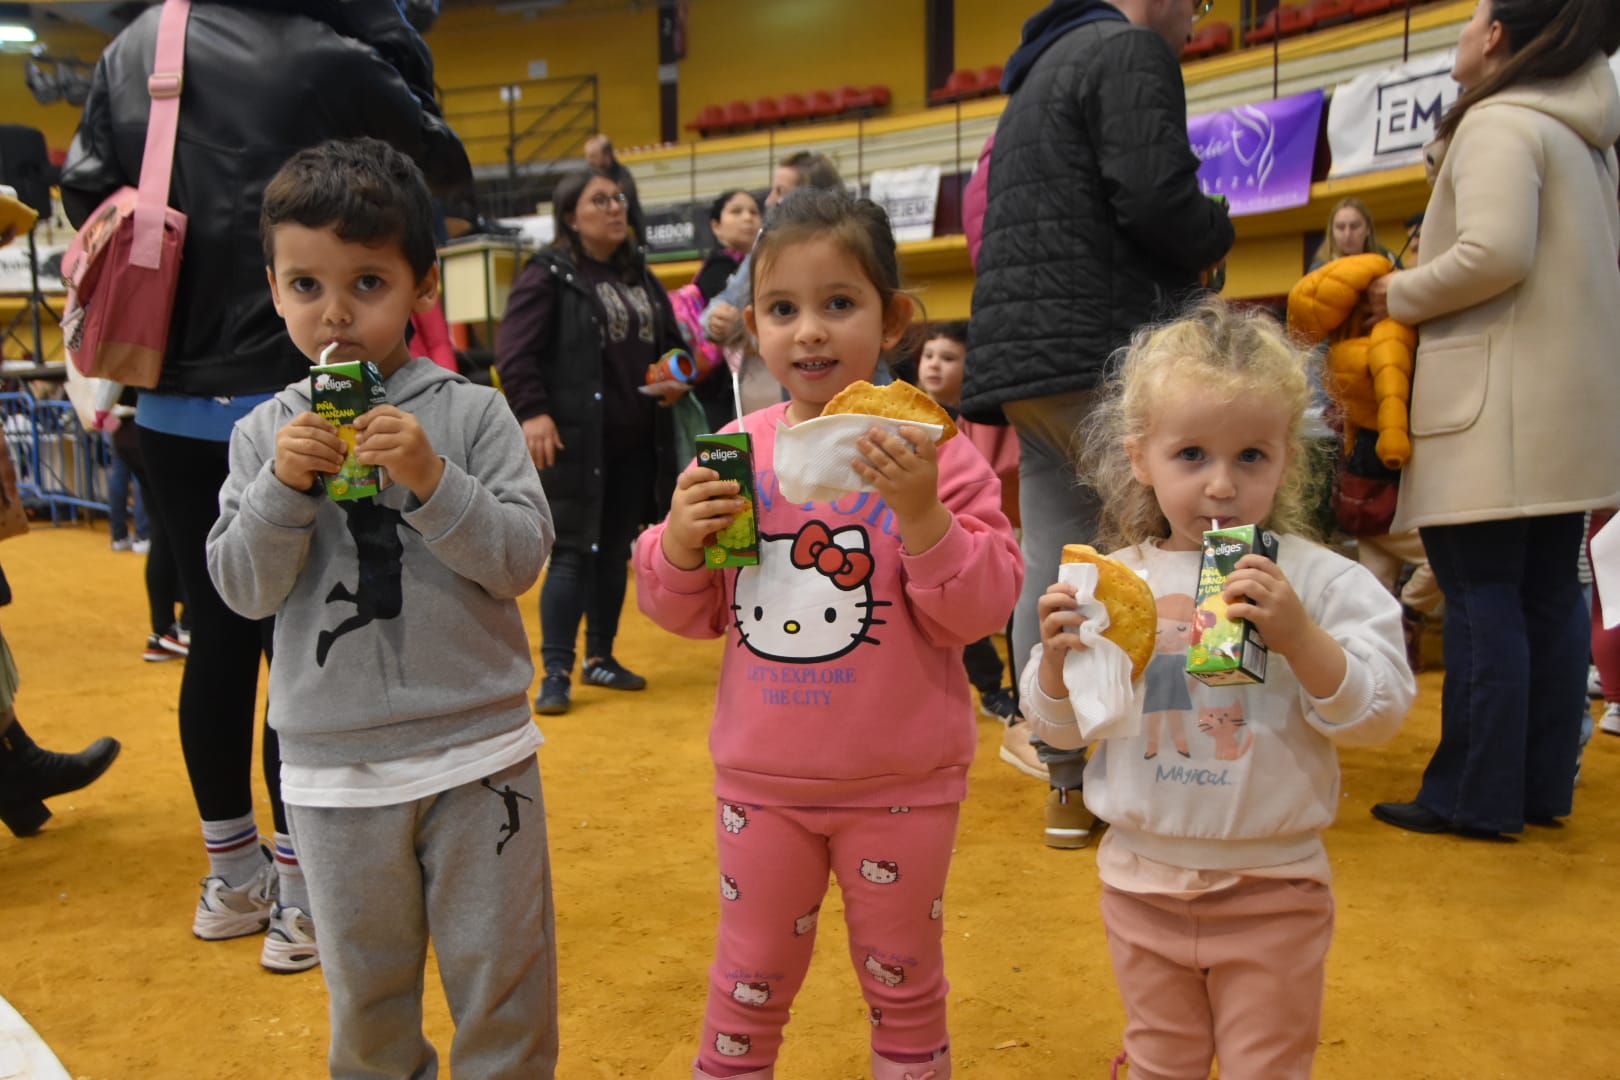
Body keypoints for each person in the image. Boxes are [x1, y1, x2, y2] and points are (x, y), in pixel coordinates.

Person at [59, 0, 471, 968]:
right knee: (304, 645)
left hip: (169, 399)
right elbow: (433, 164)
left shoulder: (140, 45)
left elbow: (86, 190)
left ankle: (231, 879)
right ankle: (300, 895)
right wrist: (389, 28)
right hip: (305, 398)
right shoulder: (334, 46)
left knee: (217, 640)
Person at [634, 188, 1022, 1080]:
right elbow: (683, 611)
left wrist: (924, 515)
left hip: (904, 786)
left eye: (837, 304)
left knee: (903, 982)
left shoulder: (931, 450)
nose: (808, 331)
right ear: (754, 329)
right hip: (761, 786)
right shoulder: (733, 448)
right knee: (749, 980)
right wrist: (680, 541)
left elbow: (982, 608)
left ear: (893, 320)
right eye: (782, 309)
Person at [207, 138, 557, 1076]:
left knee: (505, 982)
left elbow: (522, 559)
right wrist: (280, 488)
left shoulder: (473, 415)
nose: (336, 312)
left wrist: (432, 478)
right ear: (275, 290)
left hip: (481, 755)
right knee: (366, 996)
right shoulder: (259, 434)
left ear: (422, 287)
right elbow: (242, 590)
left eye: (368, 281)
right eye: (307, 285)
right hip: (332, 772)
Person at [1019, 300, 1415, 1079]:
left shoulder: (1320, 580)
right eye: (1192, 454)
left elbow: (1378, 714)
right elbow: (1061, 734)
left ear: (1288, 460)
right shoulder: (1113, 580)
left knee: (1266, 1066)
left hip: (1274, 887)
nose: (1222, 486)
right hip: (1139, 882)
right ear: (1141, 458)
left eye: (1253, 457)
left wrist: (1300, 638)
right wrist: (1059, 665)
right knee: (1159, 1060)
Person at [963, 0, 1234, 848]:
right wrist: (1216, 229)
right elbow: (1156, 198)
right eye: (1196, 3)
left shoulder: (1037, 68)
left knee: (1055, 564)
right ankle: (1208, 759)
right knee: (1203, 538)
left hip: (1029, 366)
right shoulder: (1130, 51)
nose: (1196, 19)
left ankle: (1065, 778)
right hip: (1112, 355)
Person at [1365, 0, 1620, 838]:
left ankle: (1471, 795)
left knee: (1480, 597)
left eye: (1472, 18)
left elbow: (1494, 252)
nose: (1463, 35)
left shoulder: (1501, 122)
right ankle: (1537, 788)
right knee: (1546, 595)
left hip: (1494, 409)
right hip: (1563, 412)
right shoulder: (1584, 135)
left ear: (1499, 35)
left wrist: (1397, 293)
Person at [494, 168, 686, 716]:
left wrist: (675, 374)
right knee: (574, 551)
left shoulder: (640, 277)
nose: (614, 207)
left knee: (611, 553)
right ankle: (555, 671)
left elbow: (671, 348)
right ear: (570, 216)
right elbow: (514, 352)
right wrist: (532, 412)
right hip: (575, 441)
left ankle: (600, 658)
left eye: (619, 198)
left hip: (634, 443)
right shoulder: (550, 274)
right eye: (599, 199)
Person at [913, 320, 1022, 723]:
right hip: (937, 534)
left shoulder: (993, 416)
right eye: (928, 356)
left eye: (948, 358)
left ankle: (1020, 692)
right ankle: (992, 688)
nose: (934, 366)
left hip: (1003, 525)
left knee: (1007, 604)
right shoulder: (911, 420)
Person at [699, 152, 845, 418]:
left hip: (842, 403)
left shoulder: (850, 248)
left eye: (780, 191)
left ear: (809, 196)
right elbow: (720, 305)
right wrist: (715, 319)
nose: (769, 200)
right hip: (773, 406)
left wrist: (745, 331)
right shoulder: (765, 246)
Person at [676, 188, 762, 431]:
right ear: (716, 226)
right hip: (720, 387)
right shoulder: (719, 268)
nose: (747, 218)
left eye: (754, 212)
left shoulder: (759, 266)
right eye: (736, 211)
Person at [1307, 196, 1401, 271]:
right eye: (1340, 227)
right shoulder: (1319, 269)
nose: (1347, 234)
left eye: (1355, 226)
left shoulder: (1387, 259)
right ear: (1332, 231)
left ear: (1368, 229)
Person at [585, 133, 646, 241]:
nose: (589, 161)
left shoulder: (622, 177)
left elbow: (626, 203)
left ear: (607, 155)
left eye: (593, 156)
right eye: (588, 157)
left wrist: (618, 195)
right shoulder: (588, 175)